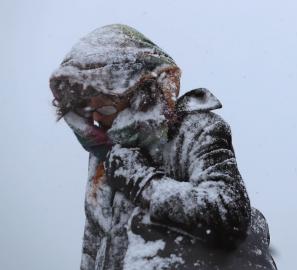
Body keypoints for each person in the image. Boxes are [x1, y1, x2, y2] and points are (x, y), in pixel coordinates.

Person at [50, 24, 276, 270]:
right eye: (88, 110)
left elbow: (228, 211)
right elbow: (93, 248)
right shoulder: (104, 159)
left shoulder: (196, 128)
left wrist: (142, 181)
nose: (97, 119)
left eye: (105, 107)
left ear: (139, 90)